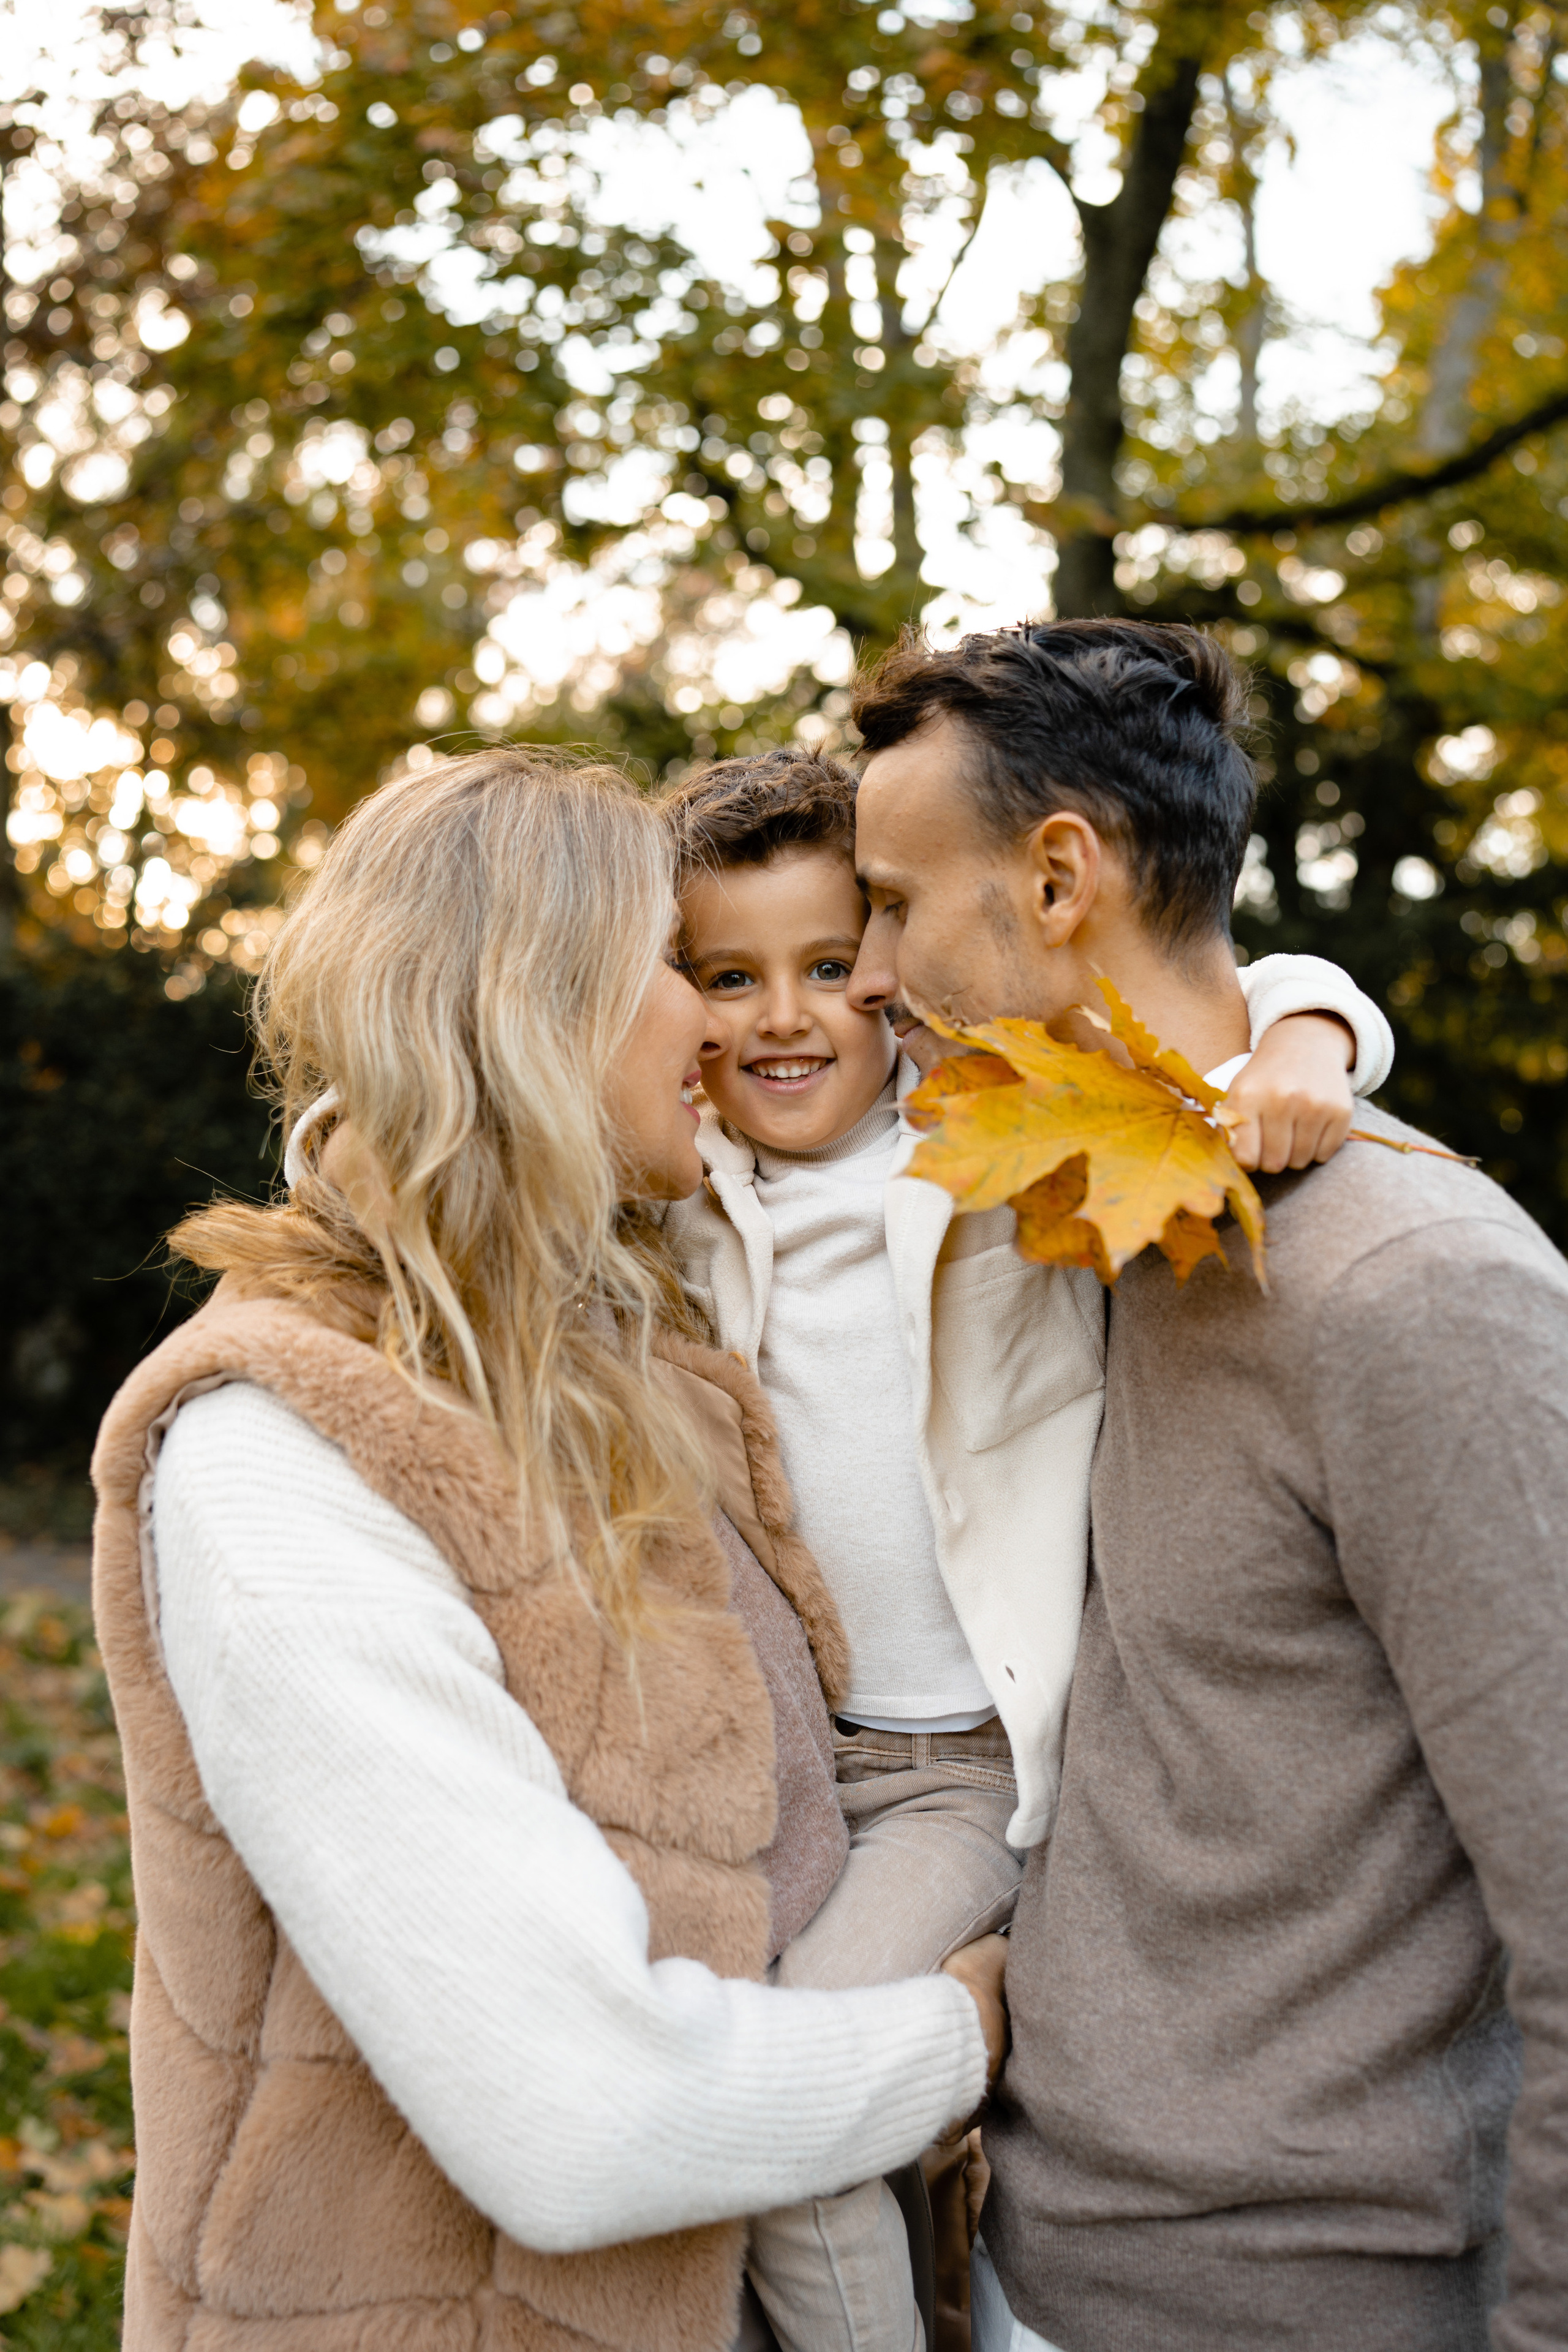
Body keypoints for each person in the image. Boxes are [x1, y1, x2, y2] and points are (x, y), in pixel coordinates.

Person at [88, 748, 1006, 2352]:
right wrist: (956, 2036)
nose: (725, 1025)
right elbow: (575, 2117)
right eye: (678, 965)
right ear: (541, 1004)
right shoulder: (278, 1454)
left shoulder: (641, 1363)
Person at [847, 617, 1568, 2352]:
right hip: (1043, 2248)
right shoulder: (1087, 1228)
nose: (868, 974)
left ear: (1060, 877)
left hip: (1304, 2301)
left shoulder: (1419, 1292)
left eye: (891, 902)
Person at [659, 747, 1393, 2352]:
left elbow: (1249, 979)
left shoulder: (995, 1142)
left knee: (788, 2121)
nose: (786, 1015)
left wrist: (1314, 1038)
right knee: (701, 2124)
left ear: (887, 968)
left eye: (824, 966)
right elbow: (448, 1094)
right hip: (768, 1766)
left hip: (955, 1775)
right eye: (729, 975)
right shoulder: (665, 1193)